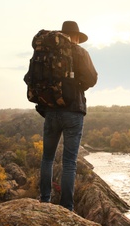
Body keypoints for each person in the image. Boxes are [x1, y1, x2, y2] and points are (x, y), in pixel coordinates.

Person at [39, 21, 98, 211]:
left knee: (47, 158)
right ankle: (66, 208)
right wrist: (76, 86)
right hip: (73, 111)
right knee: (69, 163)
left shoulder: (47, 52)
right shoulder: (80, 52)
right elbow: (92, 78)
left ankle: (45, 200)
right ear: (76, 37)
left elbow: (30, 78)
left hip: (50, 111)